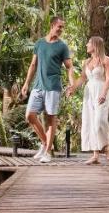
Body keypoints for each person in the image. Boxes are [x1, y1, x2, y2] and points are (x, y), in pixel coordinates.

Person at [20, 16, 73, 162]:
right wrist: (26, 84)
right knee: (29, 115)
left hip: (53, 87)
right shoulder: (40, 43)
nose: (61, 30)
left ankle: (48, 152)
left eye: (63, 27)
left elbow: (69, 67)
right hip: (38, 86)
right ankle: (45, 143)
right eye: (59, 26)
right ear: (52, 25)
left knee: (51, 118)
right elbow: (33, 65)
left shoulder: (62, 46)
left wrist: (71, 83)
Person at [70, 35, 109, 164]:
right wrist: (73, 88)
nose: (86, 45)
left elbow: (108, 79)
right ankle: (95, 155)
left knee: (99, 121)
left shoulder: (106, 60)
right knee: (90, 122)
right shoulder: (86, 62)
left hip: (101, 91)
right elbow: (83, 78)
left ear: (95, 45)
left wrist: (103, 93)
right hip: (89, 92)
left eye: (89, 43)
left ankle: (106, 147)